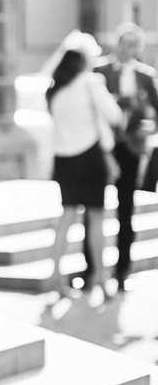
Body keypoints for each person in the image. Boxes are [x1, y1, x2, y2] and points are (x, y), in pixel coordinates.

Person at [46, 32, 122, 302]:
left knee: (65, 218)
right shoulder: (91, 82)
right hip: (89, 158)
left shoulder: (54, 88)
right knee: (96, 220)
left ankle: (55, 275)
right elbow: (114, 115)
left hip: (63, 159)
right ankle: (101, 278)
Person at [95, 23, 158, 291]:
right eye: (125, 42)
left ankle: (122, 271)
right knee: (94, 207)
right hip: (102, 148)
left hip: (131, 147)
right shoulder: (99, 71)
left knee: (125, 209)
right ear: (117, 42)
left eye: (134, 44)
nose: (128, 48)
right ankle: (92, 270)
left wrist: (150, 128)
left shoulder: (145, 75)